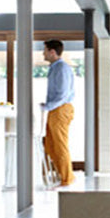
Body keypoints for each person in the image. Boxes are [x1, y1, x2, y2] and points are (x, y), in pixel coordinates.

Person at [40, 39, 75, 186]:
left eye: (45, 50)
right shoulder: (55, 67)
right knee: (50, 145)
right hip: (56, 109)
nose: (43, 54)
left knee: (60, 145)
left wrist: (48, 106)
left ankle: (67, 179)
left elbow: (62, 93)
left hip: (60, 109)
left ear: (52, 52)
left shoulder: (61, 68)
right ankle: (60, 175)